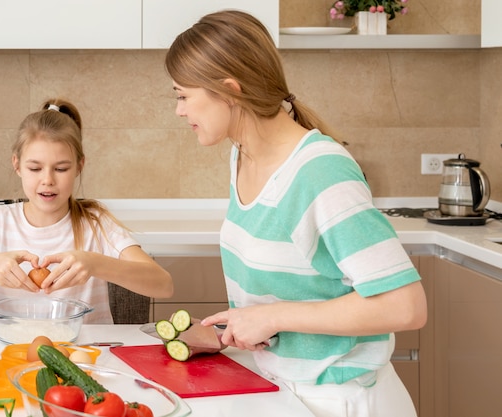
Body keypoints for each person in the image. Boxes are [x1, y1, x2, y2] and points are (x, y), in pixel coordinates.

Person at [165, 10, 427, 417]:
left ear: (229, 91)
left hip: (340, 399)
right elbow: (299, 288)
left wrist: (272, 316)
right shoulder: (242, 156)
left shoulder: (319, 172)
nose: (179, 110)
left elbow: (405, 306)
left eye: (183, 95)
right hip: (283, 390)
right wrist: (238, 327)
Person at [0, 99, 173, 323]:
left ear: (79, 167)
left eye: (61, 169)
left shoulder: (96, 224)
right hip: (3, 356)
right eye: (35, 168)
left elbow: (163, 285)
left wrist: (95, 264)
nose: (48, 180)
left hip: (82, 353)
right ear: (17, 165)